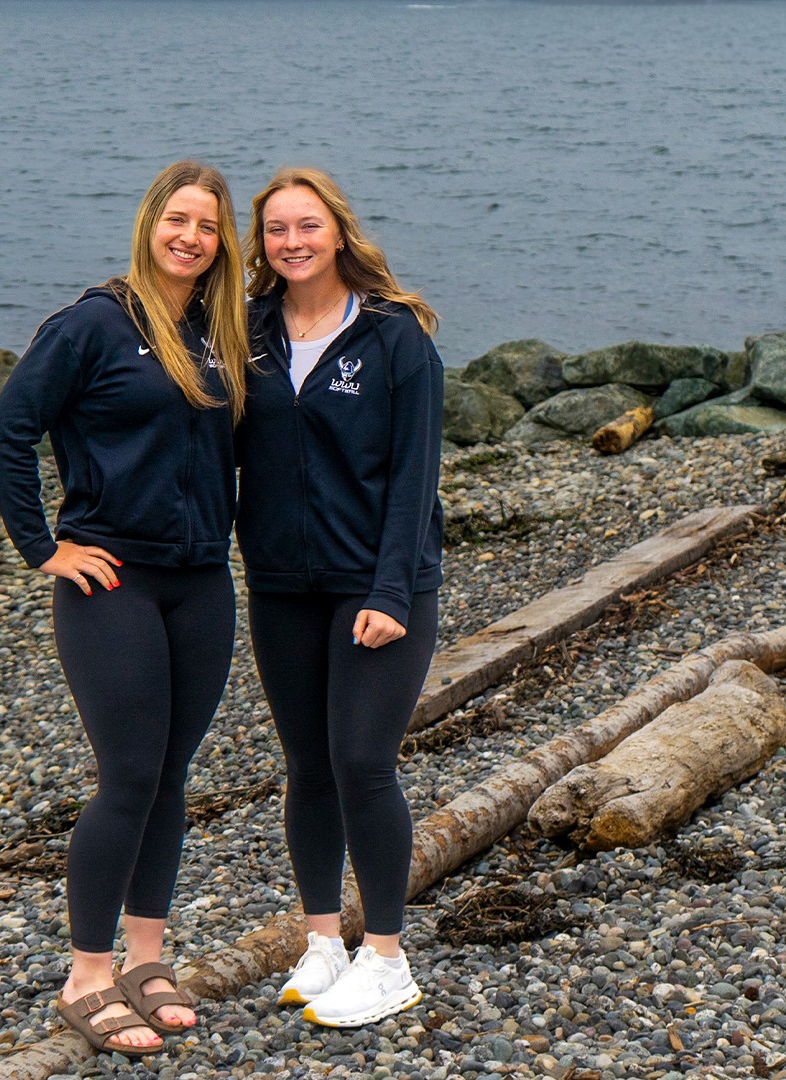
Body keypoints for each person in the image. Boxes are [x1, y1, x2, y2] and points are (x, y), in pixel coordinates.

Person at [0, 161, 250, 1057]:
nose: (191, 238)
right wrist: (44, 547)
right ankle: (87, 975)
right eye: (177, 220)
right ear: (149, 225)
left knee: (171, 777)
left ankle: (146, 957)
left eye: (207, 227)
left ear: (223, 243)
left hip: (203, 582)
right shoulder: (93, 324)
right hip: (112, 583)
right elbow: (7, 432)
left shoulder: (218, 335)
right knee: (128, 778)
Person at [235, 167, 446, 1029]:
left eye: (307, 226)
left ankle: (388, 957)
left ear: (338, 232)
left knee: (363, 762)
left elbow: (415, 474)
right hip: (283, 584)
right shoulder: (245, 331)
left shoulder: (396, 337)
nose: (293, 241)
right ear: (262, 243)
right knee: (308, 768)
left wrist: (391, 588)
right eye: (277, 229)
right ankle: (324, 942)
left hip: (379, 586)